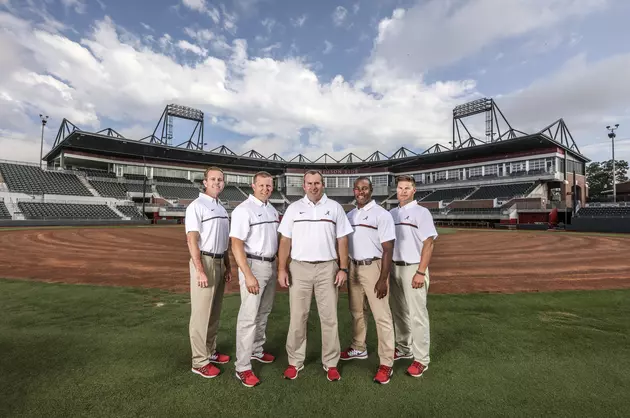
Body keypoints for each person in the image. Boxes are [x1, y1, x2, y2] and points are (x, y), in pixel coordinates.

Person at [277, 170, 353, 382]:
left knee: (329, 318)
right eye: (309, 183)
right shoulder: (294, 209)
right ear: (304, 186)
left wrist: (343, 268)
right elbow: (285, 241)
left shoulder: (335, 208)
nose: (313, 187)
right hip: (299, 268)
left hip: (327, 268)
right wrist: (281, 268)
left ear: (323, 184)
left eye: (317, 183)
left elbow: (342, 240)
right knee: (298, 317)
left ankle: (330, 363)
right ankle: (295, 361)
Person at [341, 176, 397, 384]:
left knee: (382, 316)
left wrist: (383, 278)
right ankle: (358, 347)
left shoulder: (382, 215)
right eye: (358, 188)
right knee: (357, 311)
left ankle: (386, 362)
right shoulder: (350, 214)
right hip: (353, 267)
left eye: (365, 188)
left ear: (371, 190)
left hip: (374, 268)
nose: (361, 191)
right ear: (354, 191)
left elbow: (388, 248)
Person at [230, 171, 280, 387]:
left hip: (271, 263)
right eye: (262, 185)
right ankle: (242, 367)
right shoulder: (244, 210)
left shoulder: (271, 209)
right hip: (253, 265)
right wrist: (248, 274)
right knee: (249, 316)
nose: (265, 189)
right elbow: (236, 245)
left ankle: (257, 350)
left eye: (269, 186)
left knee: (264, 311)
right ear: (253, 186)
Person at [185, 166, 232, 379]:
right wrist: (199, 270)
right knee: (201, 315)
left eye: (220, 179)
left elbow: (224, 241)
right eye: (213, 179)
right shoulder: (197, 206)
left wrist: (228, 266)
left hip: (220, 260)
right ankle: (199, 361)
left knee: (214, 312)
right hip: (204, 260)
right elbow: (192, 240)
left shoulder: (221, 208)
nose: (217, 182)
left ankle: (210, 351)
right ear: (205, 182)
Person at [389, 174, 438, 378]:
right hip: (394, 267)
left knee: (418, 315)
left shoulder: (422, 212)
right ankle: (403, 348)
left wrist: (420, 271)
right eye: (400, 188)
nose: (403, 191)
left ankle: (421, 359)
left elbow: (429, 243)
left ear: (414, 190)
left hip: (413, 269)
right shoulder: (391, 213)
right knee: (399, 312)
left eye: (407, 188)